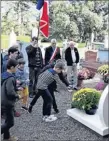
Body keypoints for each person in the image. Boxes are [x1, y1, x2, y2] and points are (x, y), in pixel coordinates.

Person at [1, 59, 21, 141]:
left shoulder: (3, 74)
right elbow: (10, 92)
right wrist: (17, 96)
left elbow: (6, 88)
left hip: (2, 100)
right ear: (12, 67)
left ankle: (6, 137)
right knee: (10, 123)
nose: (17, 69)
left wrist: (16, 88)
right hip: (7, 103)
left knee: (7, 120)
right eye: (16, 67)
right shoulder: (11, 78)